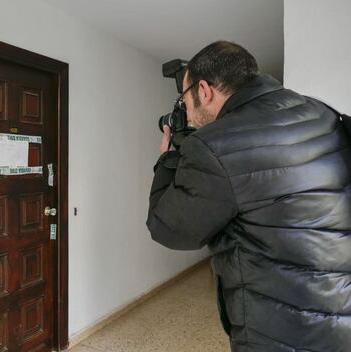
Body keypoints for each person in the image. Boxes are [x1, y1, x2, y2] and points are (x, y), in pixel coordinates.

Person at [146, 41, 351, 352]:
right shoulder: (321, 112)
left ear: (204, 90)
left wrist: (168, 158)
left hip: (281, 333)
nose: (185, 111)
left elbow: (167, 227)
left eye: (184, 98)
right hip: (341, 316)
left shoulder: (214, 145)